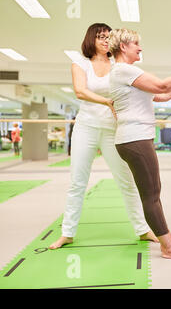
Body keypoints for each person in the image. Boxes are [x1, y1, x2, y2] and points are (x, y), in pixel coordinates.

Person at [50, 23, 158, 249]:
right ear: (91, 39)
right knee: (77, 182)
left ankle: (143, 229)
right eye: (100, 37)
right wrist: (107, 101)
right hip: (86, 127)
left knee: (126, 182)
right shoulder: (80, 62)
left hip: (112, 128)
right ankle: (67, 233)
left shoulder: (116, 65)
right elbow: (80, 91)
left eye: (108, 37)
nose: (105, 41)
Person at [108, 28, 171, 260]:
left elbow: (163, 96)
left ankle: (168, 240)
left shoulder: (126, 72)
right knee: (151, 196)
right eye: (136, 44)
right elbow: (162, 85)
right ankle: (168, 248)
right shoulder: (123, 70)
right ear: (123, 46)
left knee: (153, 192)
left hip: (136, 138)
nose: (140, 48)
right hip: (134, 139)